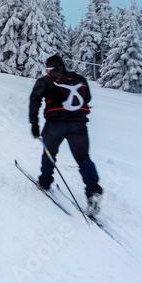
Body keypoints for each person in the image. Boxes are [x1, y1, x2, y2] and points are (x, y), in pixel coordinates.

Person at [28, 55, 104, 216]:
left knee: (49, 153)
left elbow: (34, 100)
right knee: (83, 158)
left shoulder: (45, 81)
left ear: (50, 68)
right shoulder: (79, 79)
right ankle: (93, 192)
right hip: (79, 124)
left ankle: (45, 182)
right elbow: (87, 97)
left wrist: (34, 124)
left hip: (55, 124)